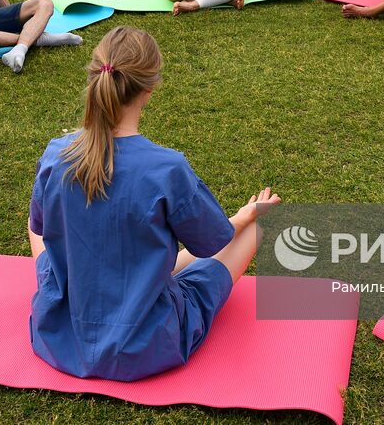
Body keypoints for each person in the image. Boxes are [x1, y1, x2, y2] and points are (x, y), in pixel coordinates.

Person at [28, 27, 280, 381]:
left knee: (52, 237)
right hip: (144, 345)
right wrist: (243, 218)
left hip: (59, 334)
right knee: (256, 228)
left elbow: (38, 227)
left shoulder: (56, 155)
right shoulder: (166, 169)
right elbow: (213, 244)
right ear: (149, 89)